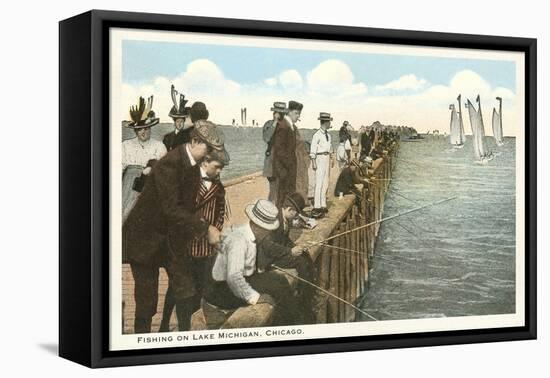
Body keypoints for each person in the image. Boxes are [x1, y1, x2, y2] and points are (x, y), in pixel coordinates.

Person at [122, 120, 225, 334]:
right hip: (144, 241)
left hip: (168, 238)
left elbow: (186, 208)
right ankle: (140, 342)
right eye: (208, 149)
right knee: (146, 302)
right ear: (195, 141)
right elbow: (172, 209)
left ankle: (176, 335)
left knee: (186, 289)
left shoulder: (191, 165)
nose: (209, 156)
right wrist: (206, 229)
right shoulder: (171, 164)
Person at [159, 146, 230, 332]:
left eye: (222, 168)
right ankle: (168, 325)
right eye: (217, 166)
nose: (219, 171)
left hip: (204, 248)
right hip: (183, 247)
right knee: (179, 290)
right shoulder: (188, 181)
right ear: (205, 162)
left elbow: (220, 214)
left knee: (198, 289)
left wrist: (216, 232)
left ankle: (189, 327)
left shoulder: (218, 187)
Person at [204, 199, 302, 326]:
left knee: (280, 280)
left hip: (238, 281)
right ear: (257, 226)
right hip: (220, 291)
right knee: (276, 289)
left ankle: (291, 320)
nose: (268, 233)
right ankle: (291, 323)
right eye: (267, 230)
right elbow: (234, 277)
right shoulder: (239, 240)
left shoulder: (250, 234)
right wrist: (255, 297)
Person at [256, 193, 317, 323]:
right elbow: (270, 247)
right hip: (268, 259)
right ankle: (303, 298)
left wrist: (297, 247)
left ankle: (309, 290)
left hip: (278, 252)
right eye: (296, 213)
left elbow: (284, 240)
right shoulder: (274, 220)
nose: (296, 217)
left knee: (304, 255)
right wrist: (290, 251)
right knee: (300, 262)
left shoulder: (285, 219)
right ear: (290, 210)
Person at [122, 96, 167, 222]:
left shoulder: (159, 146)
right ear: (135, 131)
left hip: (149, 187)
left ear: (150, 128)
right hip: (128, 188)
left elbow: (163, 172)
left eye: (146, 128)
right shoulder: (126, 145)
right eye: (140, 129)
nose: (143, 132)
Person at [272, 101, 301, 208]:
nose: (298, 116)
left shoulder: (289, 126)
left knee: (288, 195)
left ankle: (286, 219)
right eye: (296, 113)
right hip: (283, 169)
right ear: (289, 112)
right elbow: (279, 150)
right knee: (282, 196)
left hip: (288, 168)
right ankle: (281, 221)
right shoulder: (283, 126)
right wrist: (290, 164)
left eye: (299, 114)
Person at [262, 102, 288, 204]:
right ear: (275, 113)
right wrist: (275, 123)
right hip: (272, 164)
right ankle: (270, 213)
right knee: (273, 191)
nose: (282, 116)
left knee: (282, 191)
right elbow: (267, 138)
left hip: (283, 164)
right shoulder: (269, 125)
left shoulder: (286, 127)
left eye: (283, 114)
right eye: (279, 114)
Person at [310, 112, 333, 219]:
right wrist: (314, 162)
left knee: (326, 182)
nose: (330, 123)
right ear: (325, 122)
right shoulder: (317, 135)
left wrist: (331, 158)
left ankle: (323, 204)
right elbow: (313, 149)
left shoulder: (328, 135)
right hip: (319, 158)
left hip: (327, 158)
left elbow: (330, 148)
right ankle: (317, 206)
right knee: (319, 182)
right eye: (329, 122)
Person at [162, 85, 192, 151]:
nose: (179, 124)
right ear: (174, 123)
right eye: (178, 121)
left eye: (181, 121)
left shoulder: (188, 137)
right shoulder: (167, 137)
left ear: (184, 122)